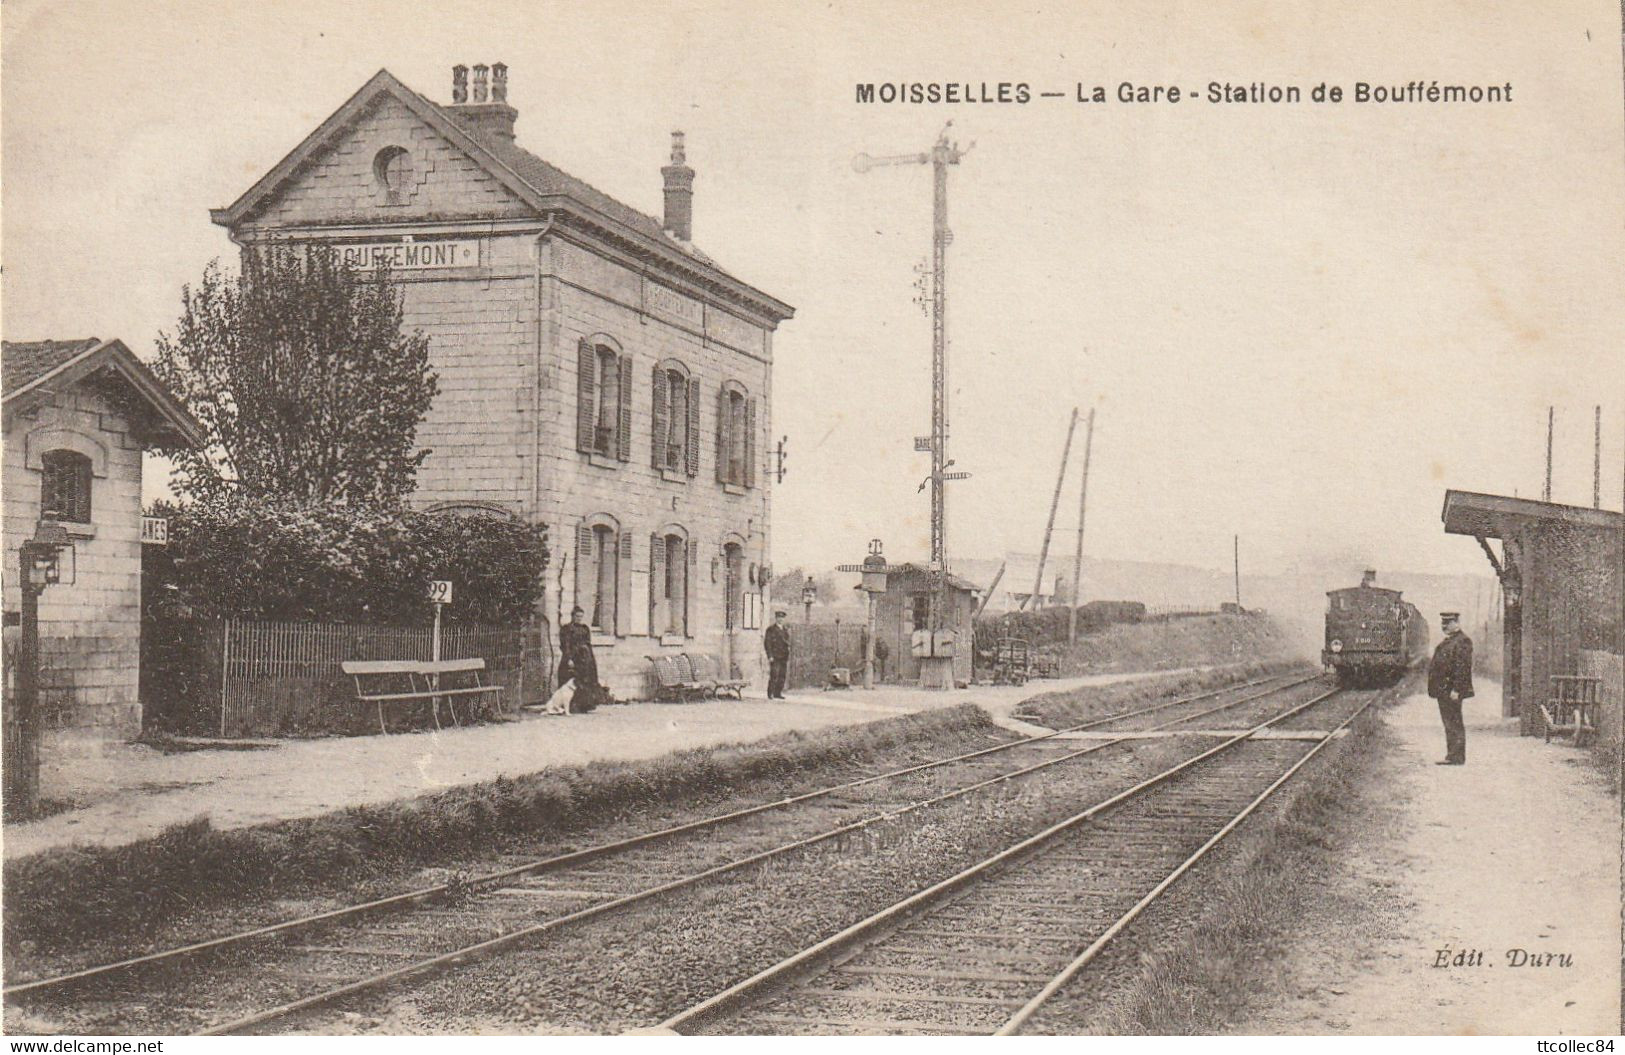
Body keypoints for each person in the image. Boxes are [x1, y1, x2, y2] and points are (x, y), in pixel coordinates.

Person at [1426, 610, 1474, 765]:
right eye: (1443, 623)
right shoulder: (1449, 641)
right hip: (1444, 690)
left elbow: (1462, 668)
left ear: (1456, 623)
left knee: (1453, 721)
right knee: (1449, 721)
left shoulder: (1462, 641)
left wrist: (1457, 689)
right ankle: (1452, 754)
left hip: (1451, 690)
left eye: (1447, 623)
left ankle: (1456, 756)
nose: (1444, 626)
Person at [557, 606, 604, 713]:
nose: (579, 618)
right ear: (572, 616)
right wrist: (568, 658)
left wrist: (590, 659)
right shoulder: (566, 629)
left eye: (581, 616)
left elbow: (588, 643)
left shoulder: (585, 628)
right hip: (573, 656)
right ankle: (571, 705)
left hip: (585, 658)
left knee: (585, 679)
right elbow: (565, 645)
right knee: (571, 680)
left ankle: (585, 705)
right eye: (577, 616)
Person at [764, 609, 791, 700]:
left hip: (783, 656)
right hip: (775, 656)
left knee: (782, 675)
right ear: (776, 618)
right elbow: (767, 643)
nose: (780, 619)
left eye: (782, 618)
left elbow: (787, 642)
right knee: (774, 674)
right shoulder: (771, 629)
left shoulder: (785, 629)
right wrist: (770, 656)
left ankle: (778, 693)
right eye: (779, 617)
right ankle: (770, 693)